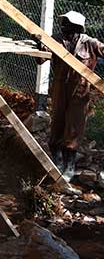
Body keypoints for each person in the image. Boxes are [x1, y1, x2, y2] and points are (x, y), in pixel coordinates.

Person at [49, 11, 104, 184]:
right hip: (59, 89)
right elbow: (41, 58)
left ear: (77, 26)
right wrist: (39, 42)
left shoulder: (90, 44)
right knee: (57, 123)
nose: (62, 25)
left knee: (74, 128)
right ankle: (56, 163)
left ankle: (69, 168)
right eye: (62, 21)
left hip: (80, 92)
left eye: (66, 22)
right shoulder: (55, 40)